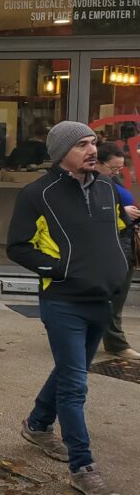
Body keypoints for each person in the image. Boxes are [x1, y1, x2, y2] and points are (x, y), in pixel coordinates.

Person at [8, 121, 127, 495]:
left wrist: (118, 267)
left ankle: (38, 425)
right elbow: (18, 246)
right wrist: (59, 270)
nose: (92, 150)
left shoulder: (108, 187)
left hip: (102, 299)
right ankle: (82, 465)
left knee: (68, 370)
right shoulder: (37, 193)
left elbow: (117, 230)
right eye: (82, 145)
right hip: (63, 301)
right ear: (62, 154)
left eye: (93, 142)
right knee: (75, 386)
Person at [95, 144, 140, 360]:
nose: (116, 172)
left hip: (125, 239)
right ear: (98, 163)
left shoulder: (109, 181)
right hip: (114, 242)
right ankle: (115, 342)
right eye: (113, 167)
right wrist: (123, 214)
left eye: (119, 168)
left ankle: (108, 338)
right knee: (114, 294)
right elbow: (94, 215)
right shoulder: (93, 183)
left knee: (117, 294)